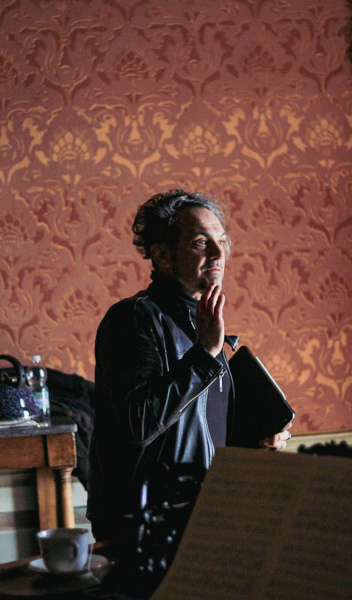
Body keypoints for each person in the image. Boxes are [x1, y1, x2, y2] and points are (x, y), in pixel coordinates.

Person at [87, 189, 291, 544]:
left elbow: (202, 434)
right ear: (163, 256)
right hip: (144, 525)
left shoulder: (204, 327)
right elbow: (139, 423)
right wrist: (205, 353)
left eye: (221, 242)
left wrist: (257, 442)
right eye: (200, 242)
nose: (218, 254)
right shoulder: (132, 319)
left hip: (205, 514)